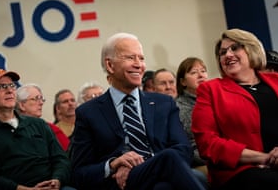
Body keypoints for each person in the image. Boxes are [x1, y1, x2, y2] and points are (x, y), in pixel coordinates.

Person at [70, 32, 205, 190]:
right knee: (169, 160)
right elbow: (79, 174)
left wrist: (152, 165)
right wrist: (113, 164)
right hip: (120, 184)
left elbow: (184, 150)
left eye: (141, 58)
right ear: (110, 65)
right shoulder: (88, 113)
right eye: (130, 58)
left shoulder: (164, 103)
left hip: (162, 176)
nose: (138, 64)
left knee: (163, 185)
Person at [191, 28, 278, 190]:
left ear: (252, 49)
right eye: (223, 52)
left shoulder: (277, 81)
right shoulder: (210, 90)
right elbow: (207, 143)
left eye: (235, 47)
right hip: (240, 173)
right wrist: (265, 158)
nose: (228, 55)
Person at [0, 69, 73, 190]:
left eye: (12, 85)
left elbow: (61, 159)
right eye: (2, 86)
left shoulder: (39, 124)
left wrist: (57, 180)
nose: (9, 90)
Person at [175, 57, 209, 186]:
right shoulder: (180, 108)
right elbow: (189, 146)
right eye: (194, 72)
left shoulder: (215, 99)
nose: (201, 75)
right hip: (201, 161)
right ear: (183, 81)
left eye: (203, 71)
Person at [16, 83, 70, 151]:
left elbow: (69, 153)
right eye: (36, 99)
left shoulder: (51, 129)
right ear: (21, 105)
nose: (41, 103)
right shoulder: (12, 130)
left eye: (42, 99)